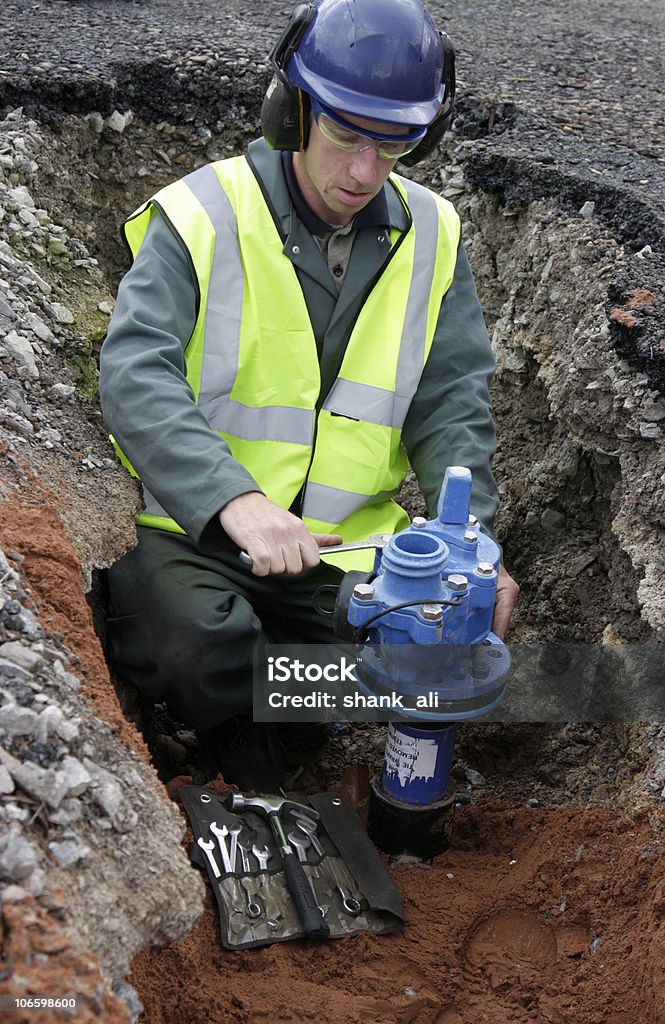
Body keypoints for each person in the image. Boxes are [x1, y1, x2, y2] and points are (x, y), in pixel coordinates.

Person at [99, 0, 519, 789]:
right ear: (292, 112)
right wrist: (234, 499)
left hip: (341, 551)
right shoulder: (204, 214)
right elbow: (135, 371)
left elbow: (452, 399)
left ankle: (302, 726)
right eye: (346, 134)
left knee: (410, 653)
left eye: (393, 143)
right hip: (198, 533)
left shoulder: (432, 234)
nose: (365, 172)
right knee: (200, 647)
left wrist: (474, 550)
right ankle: (230, 741)